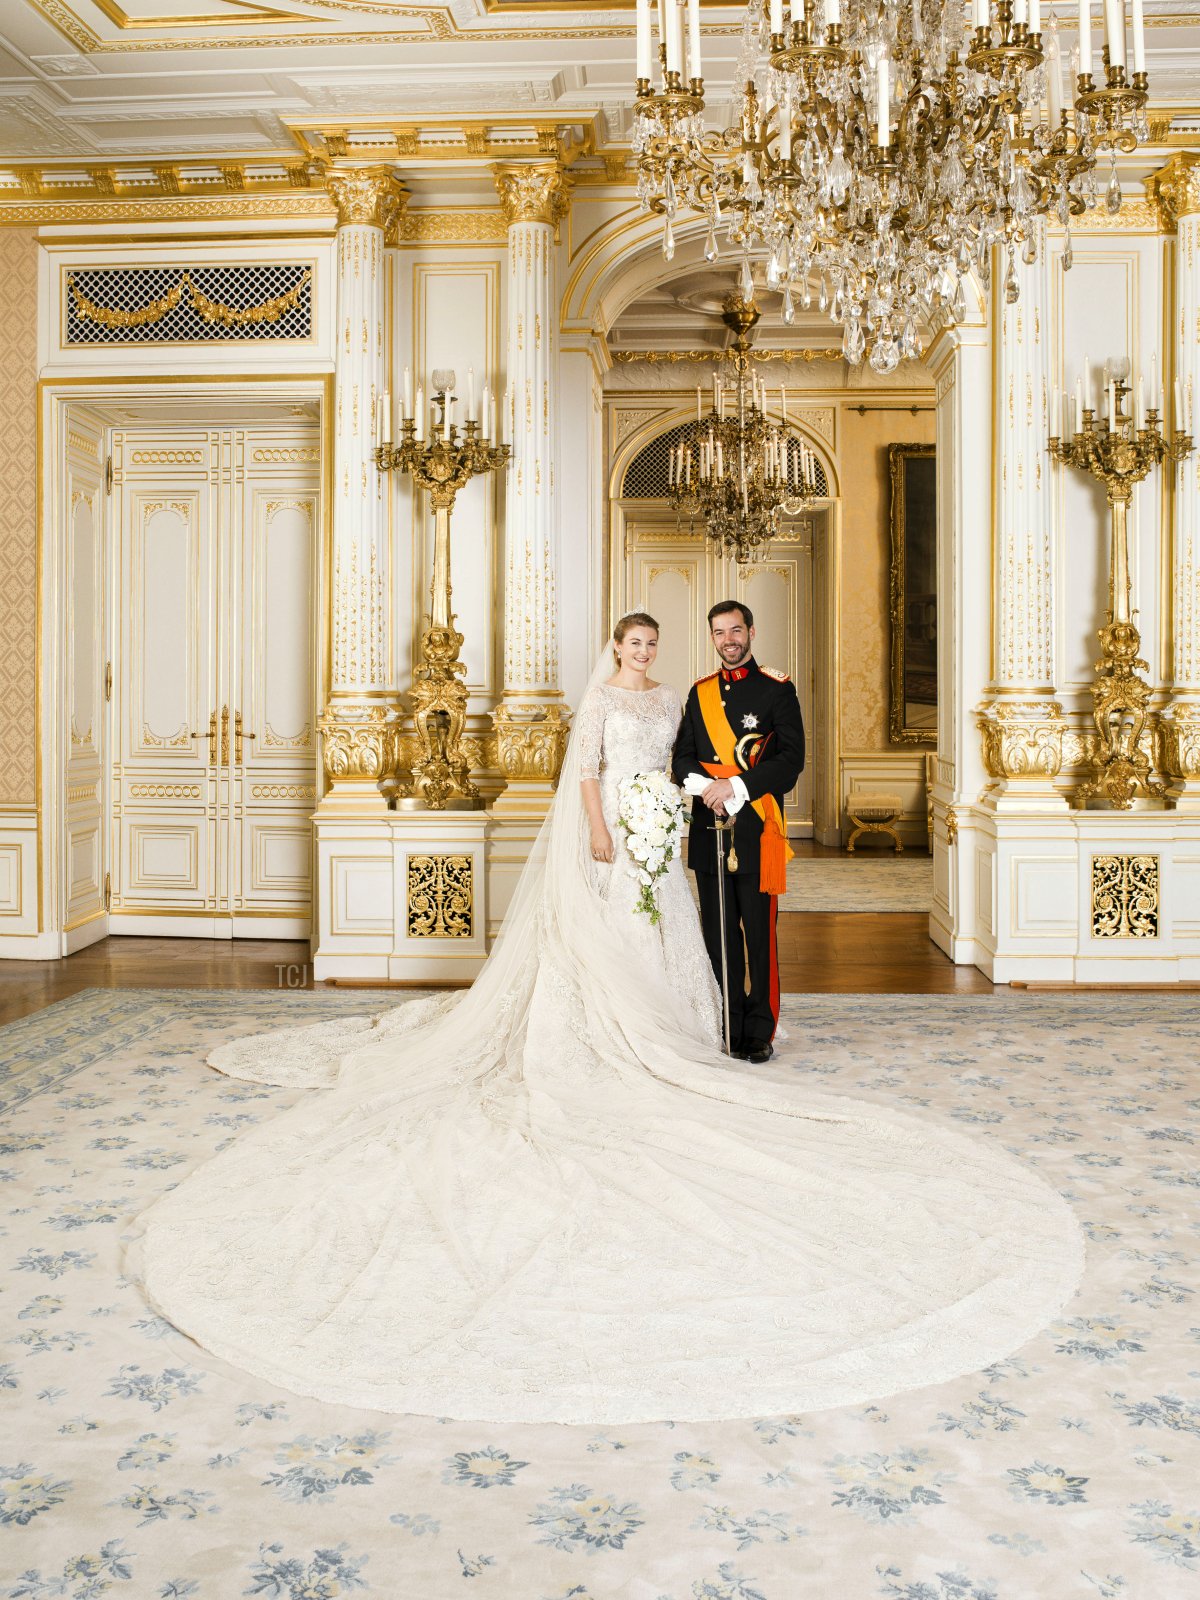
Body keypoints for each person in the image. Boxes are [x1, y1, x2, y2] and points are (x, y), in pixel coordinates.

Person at [131, 615, 1083, 1427]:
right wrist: (600, 826)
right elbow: (590, 773)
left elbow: (682, 763)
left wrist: (682, 805)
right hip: (612, 834)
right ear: (614, 648)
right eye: (633, 640)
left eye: (652, 641)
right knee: (611, 947)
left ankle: (689, 1032)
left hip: (664, 834)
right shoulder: (604, 701)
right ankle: (614, 1032)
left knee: (678, 939)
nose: (642, 651)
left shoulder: (678, 700)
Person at [673, 601, 805, 1063]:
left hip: (756, 830)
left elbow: (790, 762)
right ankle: (725, 1023)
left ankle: (759, 1029)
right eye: (719, 632)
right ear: (712, 638)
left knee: (759, 938)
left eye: (735, 630)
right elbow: (682, 757)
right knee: (718, 935)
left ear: (751, 631)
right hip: (709, 830)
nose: (728, 640)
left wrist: (737, 785)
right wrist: (709, 786)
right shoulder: (700, 692)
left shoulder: (777, 690)